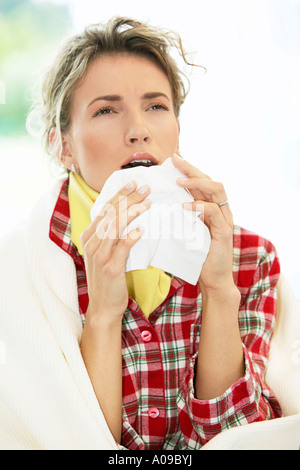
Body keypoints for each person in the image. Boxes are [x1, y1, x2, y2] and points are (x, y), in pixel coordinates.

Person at [0, 17, 281, 450]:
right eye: (106, 109)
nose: (139, 130)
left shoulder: (248, 255)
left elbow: (239, 440)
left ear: (178, 129)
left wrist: (219, 290)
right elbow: (72, 437)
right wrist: (103, 315)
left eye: (156, 106)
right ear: (63, 145)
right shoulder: (19, 270)